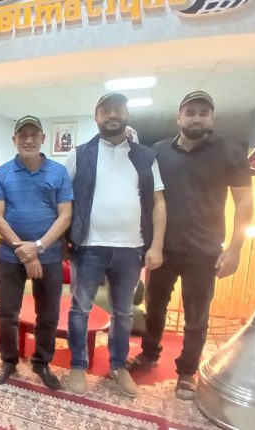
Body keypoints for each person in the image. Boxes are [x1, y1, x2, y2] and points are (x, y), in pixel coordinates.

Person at [127, 91, 253, 400]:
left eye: (203, 113)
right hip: (163, 248)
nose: (196, 118)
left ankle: (186, 371)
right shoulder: (159, 151)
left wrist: (235, 249)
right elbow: (147, 195)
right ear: (179, 117)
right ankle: (149, 354)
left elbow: (244, 202)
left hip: (204, 250)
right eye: (190, 112)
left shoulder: (230, 152)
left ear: (212, 118)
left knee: (197, 316)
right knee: (155, 308)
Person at [64, 93, 166, 398]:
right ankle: (78, 365)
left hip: (131, 249)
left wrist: (156, 246)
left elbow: (159, 202)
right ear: (96, 117)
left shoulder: (145, 157)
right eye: (106, 110)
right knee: (80, 309)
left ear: (126, 114)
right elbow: (63, 199)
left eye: (118, 109)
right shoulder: (79, 154)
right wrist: (64, 239)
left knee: (123, 313)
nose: (112, 115)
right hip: (88, 247)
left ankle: (119, 366)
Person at [0, 116, 73, 389]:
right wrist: (24, 251)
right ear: (14, 139)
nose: (28, 140)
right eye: (22, 135)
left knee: (48, 314)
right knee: (7, 313)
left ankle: (41, 362)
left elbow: (65, 216)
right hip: (9, 256)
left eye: (33, 135)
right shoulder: (3, 173)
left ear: (43, 138)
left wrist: (37, 247)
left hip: (49, 256)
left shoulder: (59, 173)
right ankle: (9, 360)